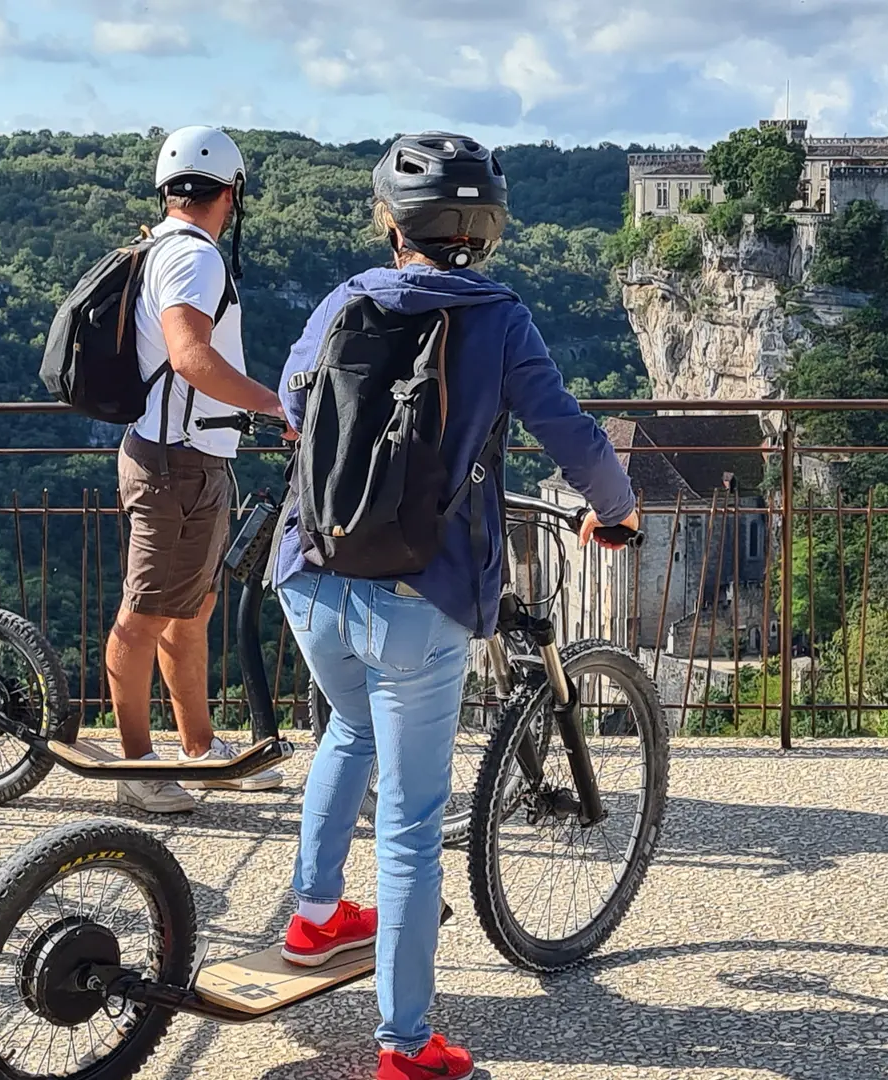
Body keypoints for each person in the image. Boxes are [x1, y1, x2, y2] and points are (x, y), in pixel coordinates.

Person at [270, 133, 640, 1080]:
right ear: (486, 231)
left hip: (309, 572)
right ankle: (404, 1045)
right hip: (417, 595)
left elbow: (290, 401)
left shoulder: (343, 299)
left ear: (392, 225)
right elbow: (568, 427)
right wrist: (617, 512)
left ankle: (312, 921)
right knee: (411, 820)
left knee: (345, 733)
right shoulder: (502, 320)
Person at [102, 125, 287, 813]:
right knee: (144, 615)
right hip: (174, 464)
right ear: (231, 193)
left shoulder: (168, 248)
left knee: (192, 610)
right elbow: (190, 356)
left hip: (193, 458)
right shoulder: (196, 259)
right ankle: (138, 767)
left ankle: (201, 751)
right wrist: (276, 407)